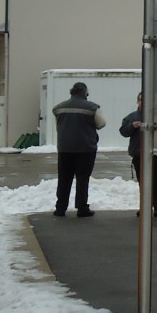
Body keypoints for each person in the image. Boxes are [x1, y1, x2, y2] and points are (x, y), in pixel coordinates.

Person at [52, 81, 106, 217]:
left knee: (64, 178)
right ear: (85, 92)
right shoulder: (92, 107)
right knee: (82, 178)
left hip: (65, 148)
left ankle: (60, 208)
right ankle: (82, 208)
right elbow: (101, 124)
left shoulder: (59, 108)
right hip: (86, 148)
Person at [121, 91, 157, 216]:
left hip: (155, 153)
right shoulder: (131, 117)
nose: (142, 102)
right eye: (140, 100)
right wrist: (132, 126)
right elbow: (123, 131)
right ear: (137, 102)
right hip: (138, 154)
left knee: (156, 180)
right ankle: (145, 206)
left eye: (145, 100)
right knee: (143, 182)